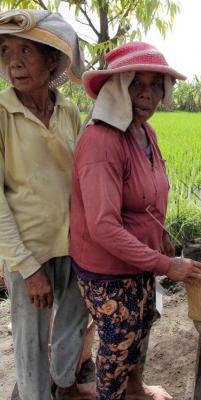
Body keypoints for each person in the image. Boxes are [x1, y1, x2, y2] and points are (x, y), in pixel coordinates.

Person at [70, 41, 201, 400]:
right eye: (136, 84)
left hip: (140, 260)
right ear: (115, 88)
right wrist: (167, 264)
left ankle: (135, 389)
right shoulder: (102, 141)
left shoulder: (146, 132)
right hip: (107, 272)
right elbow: (103, 226)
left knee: (142, 324)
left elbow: (153, 193)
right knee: (117, 346)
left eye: (155, 85)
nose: (147, 95)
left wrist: (161, 237)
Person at [0, 9, 93, 400]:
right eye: (5, 51)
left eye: (26, 50)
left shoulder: (69, 111)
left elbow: (83, 180)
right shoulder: (2, 113)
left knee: (73, 322)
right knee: (31, 341)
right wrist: (26, 267)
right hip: (30, 252)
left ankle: (66, 386)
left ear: (51, 59)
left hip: (74, 246)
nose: (14, 62)